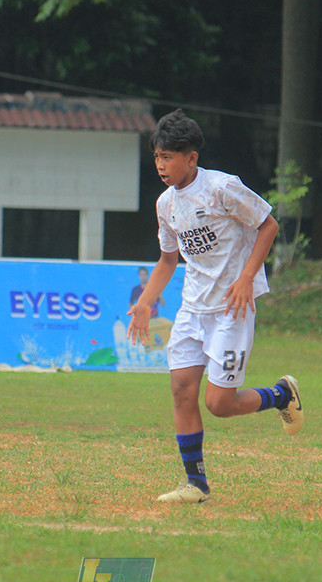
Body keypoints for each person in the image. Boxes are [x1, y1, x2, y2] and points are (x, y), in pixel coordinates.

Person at [127, 109, 303, 504]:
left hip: (231, 310)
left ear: (191, 158)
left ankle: (281, 395)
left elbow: (268, 224)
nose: (160, 165)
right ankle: (196, 484)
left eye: (168, 157)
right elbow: (168, 259)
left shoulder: (222, 188)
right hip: (192, 309)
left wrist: (246, 277)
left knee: (219, 404)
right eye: (157, 157)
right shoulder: (165, 204)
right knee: (181, 389)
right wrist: (145, 303)